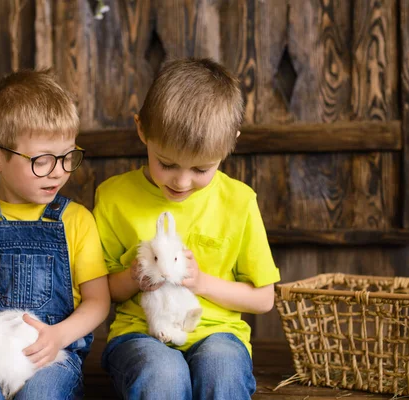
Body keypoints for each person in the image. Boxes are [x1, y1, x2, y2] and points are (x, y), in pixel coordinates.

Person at [93, 58, 281, 399]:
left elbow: (264, 298)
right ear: (142, 130)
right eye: (167, 164)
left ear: (230, 144)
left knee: (222, 368)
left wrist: (200, 282)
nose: (181, 182)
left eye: (201, 168)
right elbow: (100, 290)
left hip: (218, 333)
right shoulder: (113, 197)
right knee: (163, 373)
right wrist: (133, 278)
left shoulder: (239, 201)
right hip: (141, 333)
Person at [0, 69, 110, 400]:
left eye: (67, 157)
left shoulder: (76, 220)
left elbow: (98, 301)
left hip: (50, 358)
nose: (58, 171)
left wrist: (57, 337)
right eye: (42, 160)